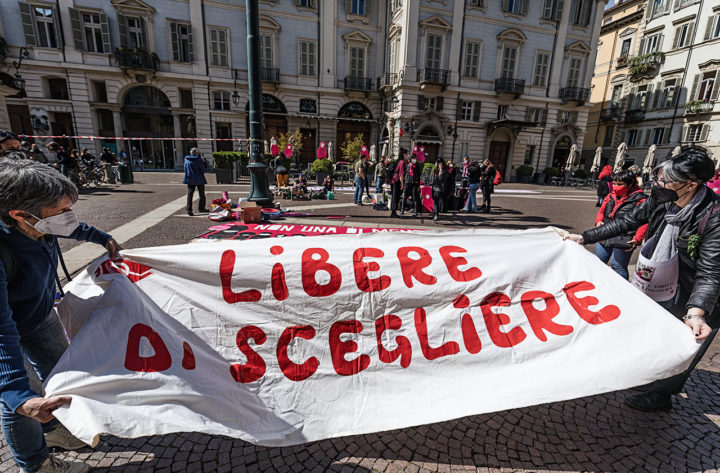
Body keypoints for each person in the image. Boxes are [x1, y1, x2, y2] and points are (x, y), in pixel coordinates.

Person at [565, 147, 720, 412]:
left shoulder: (714, 217)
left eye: (666, 180)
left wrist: (696, 313)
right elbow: (628, 221)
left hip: (697, 294)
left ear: (690, 184)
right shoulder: (663, 198)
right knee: (656, 333)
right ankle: (649, 377)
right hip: (660, 281)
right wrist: (585, 237)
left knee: (683, 344)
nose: (659, 184)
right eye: (659, 178)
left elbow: (710, 273)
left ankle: (661, 396)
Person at [0, 158, 122, 473]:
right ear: (19, 215)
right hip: (7, 329)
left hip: (39, 316)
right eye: (61, 210)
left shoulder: (39, 223)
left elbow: (72, 227)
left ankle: (55, 430)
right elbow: (2, 330)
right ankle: (37, 465)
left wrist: (101, 237)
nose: (69, 216)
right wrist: (17, 394)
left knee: (65, 371)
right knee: (21, 404)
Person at [593, 170, 648, 280]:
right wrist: (598, 221)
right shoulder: (610, 196)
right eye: (614, 183)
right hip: (605, 233)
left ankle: (620, 292)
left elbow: (644, 221)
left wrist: (637, 239)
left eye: (620, 184)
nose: (615, 186)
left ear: (630, 184)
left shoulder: (641, 199)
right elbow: (602, 212)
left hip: (625, 237)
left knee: (618, 266)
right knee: (596, 262)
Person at [183, 148, 207, 216]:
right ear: (196, 153)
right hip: (199, 178)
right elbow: (202, 170)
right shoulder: (198, 160)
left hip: (189, 179)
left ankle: (189, 209)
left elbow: (185, 169)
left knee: (190, 195)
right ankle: (201, 208)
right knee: (202, 194)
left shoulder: (186, 159)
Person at [389, 150, 408, 218]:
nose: (407, 156)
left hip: (393, 180)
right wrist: (402, 184)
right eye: (407, 154)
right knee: (395, 196)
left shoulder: (399, 161)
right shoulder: (402, 162)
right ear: (404, 154)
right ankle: (393, 212)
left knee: (394, 196)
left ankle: (393, 212)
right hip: (396, 180)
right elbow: (401, 174)